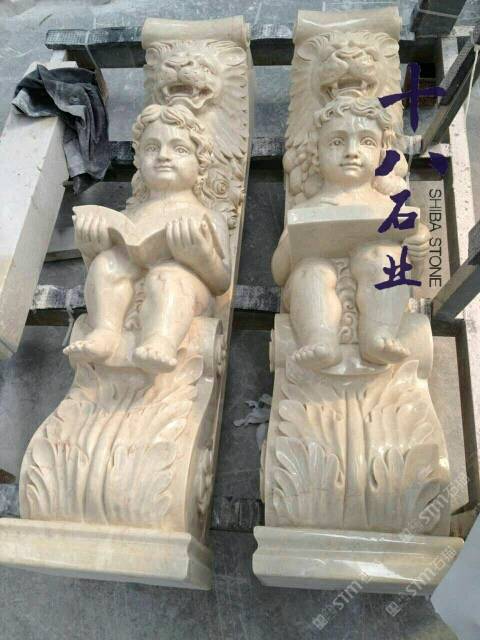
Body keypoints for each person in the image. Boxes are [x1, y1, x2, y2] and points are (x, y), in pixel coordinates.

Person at [65, 104, 231, 371]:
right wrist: (91, 248)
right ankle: (106, 331)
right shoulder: (128, 215)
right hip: (131, 288)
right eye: (152, 148)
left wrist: (201, 256)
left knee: (168, 276)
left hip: (184, 292)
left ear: (201, 164)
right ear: (139, 161)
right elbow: (100, 274)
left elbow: (222, 283)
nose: (163, 156)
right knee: (107, 263)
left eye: (180, 149)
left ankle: (162, 340)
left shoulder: (207, 216)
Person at [272, 96, 429, 370]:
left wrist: (417, 250)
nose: (352, 152)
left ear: (381, 154)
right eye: (337, 141)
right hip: (316, 279)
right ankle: (320, 340)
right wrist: (293, 244)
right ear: (316, 153)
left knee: (384, 258)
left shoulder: (390, 208)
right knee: (311, 272)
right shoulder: (307, 209)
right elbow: (278, 273)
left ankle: (379, 335)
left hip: (378, 276)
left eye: (366, 141)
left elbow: (413, 275)